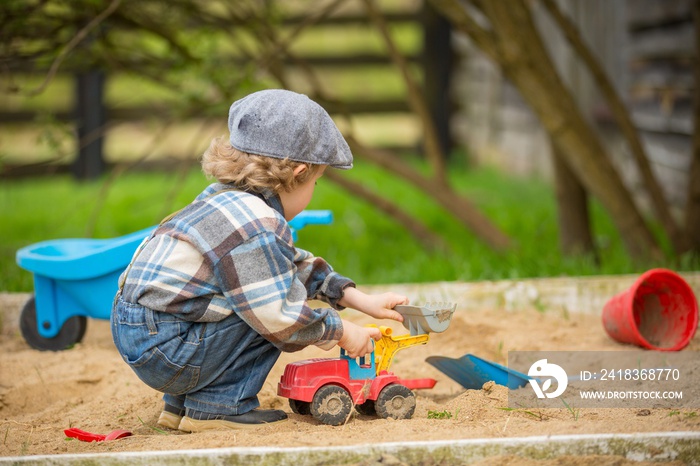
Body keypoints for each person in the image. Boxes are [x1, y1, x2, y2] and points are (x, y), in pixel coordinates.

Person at [111, 89, 409, 432]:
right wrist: (340, 331)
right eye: (316, 181)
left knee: (248, 293)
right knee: (264, 312)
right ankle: (219, 407)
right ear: (298, 173)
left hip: (141, 332)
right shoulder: (258, 227)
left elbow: (289, 265)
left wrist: (361, 300)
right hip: (167, 349)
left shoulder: (225, 200)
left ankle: (180, 408)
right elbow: (278, 312)